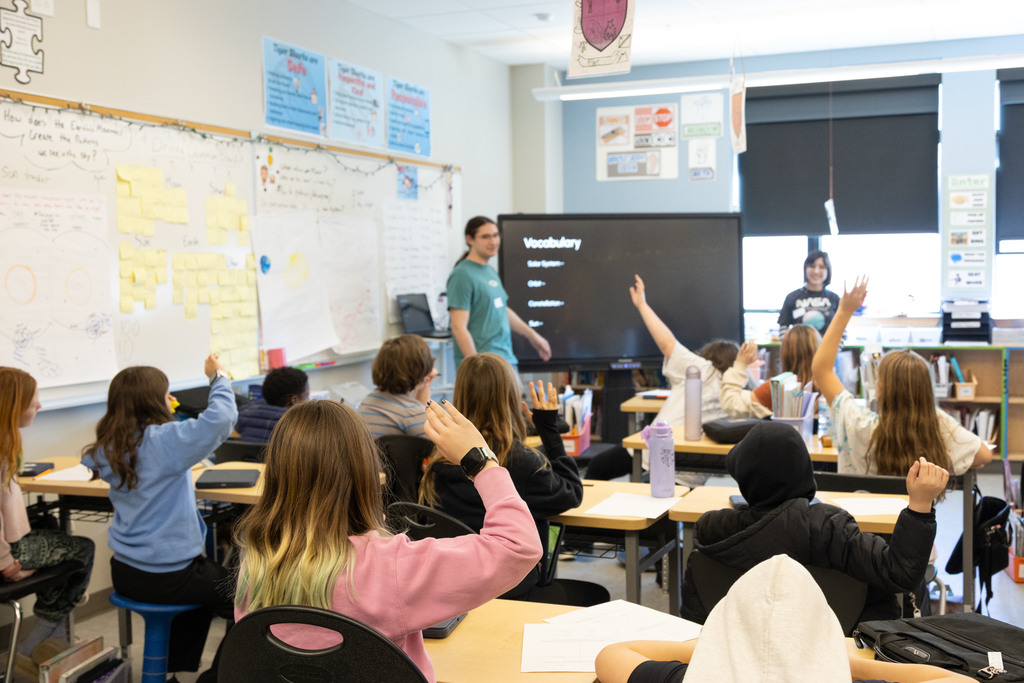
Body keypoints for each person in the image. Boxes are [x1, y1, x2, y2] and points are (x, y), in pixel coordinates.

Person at [233, 398, 542, 683]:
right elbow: (519, 545)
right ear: (365, 473)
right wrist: (480, 461)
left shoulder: (256, 562)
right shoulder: (390, 567)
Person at [679, 420, 946, 625]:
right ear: (805, 469)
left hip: (741, 665)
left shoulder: (713, 538)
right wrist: (920, 506)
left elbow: (693, 632)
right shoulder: (832, 531)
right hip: (839, 663)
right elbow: (900, 572)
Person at [81, 355, 238, 683]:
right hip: (170, 577)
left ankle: (169, 674)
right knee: (250, 598)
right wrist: (218, 376)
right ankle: (217, 677)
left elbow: (92, 459)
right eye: (167, 394)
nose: (172, 400)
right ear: (154, 400)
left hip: (124, 572)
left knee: (203, 592)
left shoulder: (106, 448)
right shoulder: (166, 441)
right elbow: (223, 417)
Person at [596, 554, 974, 683]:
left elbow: (612, 654)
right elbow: (950, 679)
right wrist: (837, 662)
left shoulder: (695, 677)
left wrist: (704, 648)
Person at [419, 354, 598, 605]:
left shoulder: (437, 459)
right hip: (510, 591)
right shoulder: (521, 462)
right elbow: (572, 493)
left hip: (454, 594)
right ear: (512, 399)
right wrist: (549, 430)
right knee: (597, 594)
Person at [812, 276, 993, 475]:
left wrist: (844, 311)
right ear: (926, 392)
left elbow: (821, 369)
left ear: (880, 388)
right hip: (917, 507)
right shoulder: (939, 426)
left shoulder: (859, 423)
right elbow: (985, 455)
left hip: (861, 506)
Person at [585, 275, 739, 483]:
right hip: (694, 475)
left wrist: (641, 305)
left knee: (597, 467)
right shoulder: (738, 392)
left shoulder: (703, 368)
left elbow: (666, 342)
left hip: (655, 455)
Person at [0, 368, 95, 667]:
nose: (39, 406)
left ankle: (52, 646)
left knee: (50, 526)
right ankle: (33, 647)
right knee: (83, 550)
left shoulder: (6, 440)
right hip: (7, 553)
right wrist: (5, 562)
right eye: (34, 401)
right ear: (13, 405)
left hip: (10, 545)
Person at [447, 216, 551, 369]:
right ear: (469, 239)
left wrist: (533, 336)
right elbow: (458, 327)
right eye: (485, 237)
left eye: (496, 235)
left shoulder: (489, 271)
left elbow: (501, 310)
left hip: (505, 359)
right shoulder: (462, 275)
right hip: (485, 366)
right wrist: (476, 367)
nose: (493, 241)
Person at [719, 325, 821, 418]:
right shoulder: (827, 389)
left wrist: (740, 365)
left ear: (785, 354)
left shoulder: (775, 388)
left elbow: (730, 403)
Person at [358, 334, 438, 438]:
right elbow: (433, 448)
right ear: (420, 371)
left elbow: (418, 411)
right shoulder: (411, 413)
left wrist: (425, 385)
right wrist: (425, 384)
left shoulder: (367, 402)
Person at [233, 366, 309, 442]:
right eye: (306, 396)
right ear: (294, 400)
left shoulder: (244, 417)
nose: (308, 401)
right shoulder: (300, 428)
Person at [778, 249, 841, 334]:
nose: (816, 271)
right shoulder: (792, 297)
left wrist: (833, 347)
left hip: (827, 347)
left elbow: (841, 330)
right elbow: (783, 327)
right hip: (798, 347)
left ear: (828, 271)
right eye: (812, 266)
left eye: (822, 267)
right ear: (805, 268)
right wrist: (790, 347)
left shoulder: (834, 298)